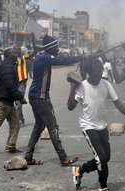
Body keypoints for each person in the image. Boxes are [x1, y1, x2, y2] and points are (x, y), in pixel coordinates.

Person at [67, 58, 125, 191]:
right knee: (101, 157)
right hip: (88, 126)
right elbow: (70, 107)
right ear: (89, 72)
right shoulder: (81, 86)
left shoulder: (106, 84)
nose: (100, 73)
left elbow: (118, 103)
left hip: (102, 125)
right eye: (96, 71)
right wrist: (72, 86)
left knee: (106, 157)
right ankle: (103, 187)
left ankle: (79, 170)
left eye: (101, 70)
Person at [24, 35, 83, 166]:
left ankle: (28, 156)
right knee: (52, 126)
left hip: (36, 96)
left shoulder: (43, 57)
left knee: (39, 126)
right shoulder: (44, 57)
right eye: (56, 47)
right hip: (41, 98)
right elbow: (63, 60)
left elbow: (61, 59)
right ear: (50, 48)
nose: (58, 49)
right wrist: (83, 57)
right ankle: (63, 157)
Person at [14, 45, 36, 126]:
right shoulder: (11, 60)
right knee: (16, 102)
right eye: (15, 50)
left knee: (18, 101)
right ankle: (19, 118)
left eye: (18, 50)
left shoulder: (24, 58)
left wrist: (34, 43)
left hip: (22, 82)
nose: (17, 51)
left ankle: (19, 119)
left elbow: (33, 54)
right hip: (14, 83)